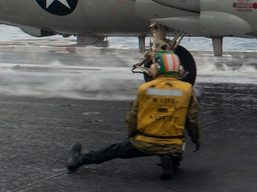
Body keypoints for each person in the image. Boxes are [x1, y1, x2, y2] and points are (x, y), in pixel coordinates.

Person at [67, 52, 200, 180]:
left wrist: (131, 136)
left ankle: (79, 160)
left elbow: (132, 118)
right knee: (171, 144)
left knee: (114, 150)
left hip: (144, 142)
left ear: (156, 69)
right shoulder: (187, 89)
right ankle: (170, 159)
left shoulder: (145, 88)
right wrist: (196, 140)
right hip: (173, 143)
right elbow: (192, 121)